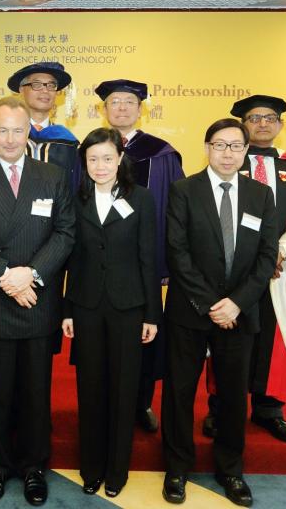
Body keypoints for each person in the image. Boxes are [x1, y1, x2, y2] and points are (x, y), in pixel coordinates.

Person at [0, 96, 75, 506]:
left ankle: (35, 466)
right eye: (1, 130)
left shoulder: (53, 176)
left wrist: (30, 275)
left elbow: (65, 233)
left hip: (37, 298)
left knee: (36, 390)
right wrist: (5, 276)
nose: (9, 138)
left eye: (17, 130)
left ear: (29, 133)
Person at [161, 118, 278, 507]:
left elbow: (266, 256)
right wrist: (212, 304)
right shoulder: (183, 191)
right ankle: (177, 468)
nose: (227, 153)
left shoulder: (261, 194)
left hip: (239, 313)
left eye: (235, 146)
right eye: (220, 145)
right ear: (207, 147)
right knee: (179, 392)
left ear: (246, 151)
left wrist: (238, 303)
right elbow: (177, 254)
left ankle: (231, 469)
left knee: (232, 396)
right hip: (191, 311)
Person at [202, 95, 286, 443]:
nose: (263, 123)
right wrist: (254, 256)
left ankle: (269, 408)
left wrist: (278, 252)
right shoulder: (230, 161)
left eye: (270, 118)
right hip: (236, 270)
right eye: (255, 118)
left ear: (281, 124)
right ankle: (219, 405)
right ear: (242, 124)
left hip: (281, 269)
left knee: (274, 333)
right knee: (229, 331)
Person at [61, 128, 159, 498]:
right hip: (86, 307)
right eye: (92, 159)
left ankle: (117, 471)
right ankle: (91, 468)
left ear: (120, 159)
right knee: (90, 389)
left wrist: (152, 314)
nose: (100, 166)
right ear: (84, 163)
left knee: (123, 390)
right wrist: (68, 308)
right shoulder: (76, 199)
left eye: (106, 158)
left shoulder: (143, 199)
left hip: (129, 308)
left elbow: (149, 258)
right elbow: (71, 258)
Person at [98, 78, 184, 433]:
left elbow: (175, 210)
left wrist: (165, 259)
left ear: (139, 108)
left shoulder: (161, 154)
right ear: (105, 109)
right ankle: (103, 401)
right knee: (101, 336)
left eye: (128, 102)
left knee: (145, 332)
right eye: (114, 102)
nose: (121, 107)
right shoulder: (92, 150)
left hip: (144, 261)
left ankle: (141, 402)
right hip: (103, 263)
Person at [0, 62, 80, 189]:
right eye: (36, 84)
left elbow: (73, 189)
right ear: (21, 89)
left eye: (51, 85)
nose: (45, 90)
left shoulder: (68, 141)